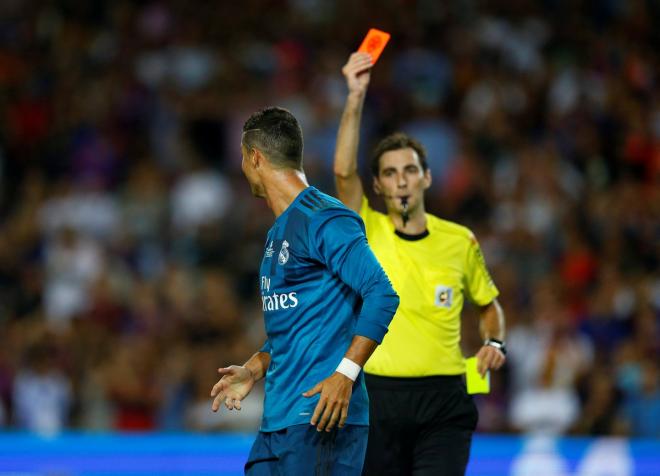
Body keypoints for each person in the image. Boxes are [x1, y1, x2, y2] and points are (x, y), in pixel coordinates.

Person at [333, 52, 507, 476]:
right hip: (376, 398)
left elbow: (489, 306)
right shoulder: (366, 230)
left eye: (410, 170)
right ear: (377, 185)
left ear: (427, 177)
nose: (401, 179)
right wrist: (355, 98)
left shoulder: (459, 240)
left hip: (444, 399)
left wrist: (494, 343)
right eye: (390, 173)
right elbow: (342, 173)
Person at [210, 107, 399, 475]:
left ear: (255, 158)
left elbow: (382, 292)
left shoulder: (325, 218)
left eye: (242, 158)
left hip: (321, 418)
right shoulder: (279, 231)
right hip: (278, 422)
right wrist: (253, 369)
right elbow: (294, 325)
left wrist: (345, 373)